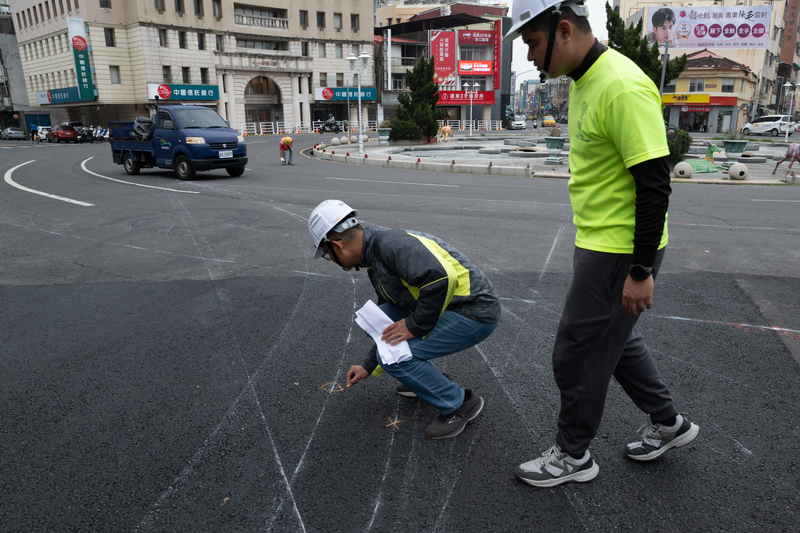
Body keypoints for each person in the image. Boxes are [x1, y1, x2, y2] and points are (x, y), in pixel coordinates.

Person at [504, 0, 699, 487]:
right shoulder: (586, 81)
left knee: (576, 352)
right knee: (619, 343)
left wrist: (639, 271)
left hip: (620, 252)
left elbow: (655, 184)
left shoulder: (621, 84)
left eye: (532, 42)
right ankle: (669, 423)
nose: (529, 56)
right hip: (600, 242)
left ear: (563, 30)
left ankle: (574, 456)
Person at [308, 200, 501, 439]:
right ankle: (422, 380)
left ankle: (459, 404)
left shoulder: (391, 246)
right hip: (448, 307)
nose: (332, 260)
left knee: (395, 359)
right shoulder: (375, 258)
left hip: (474, 312)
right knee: (376, 321)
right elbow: (384, 324)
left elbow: (440, 279)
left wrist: (414, 325)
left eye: (327, 255)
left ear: (338, 245)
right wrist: (368, 366)